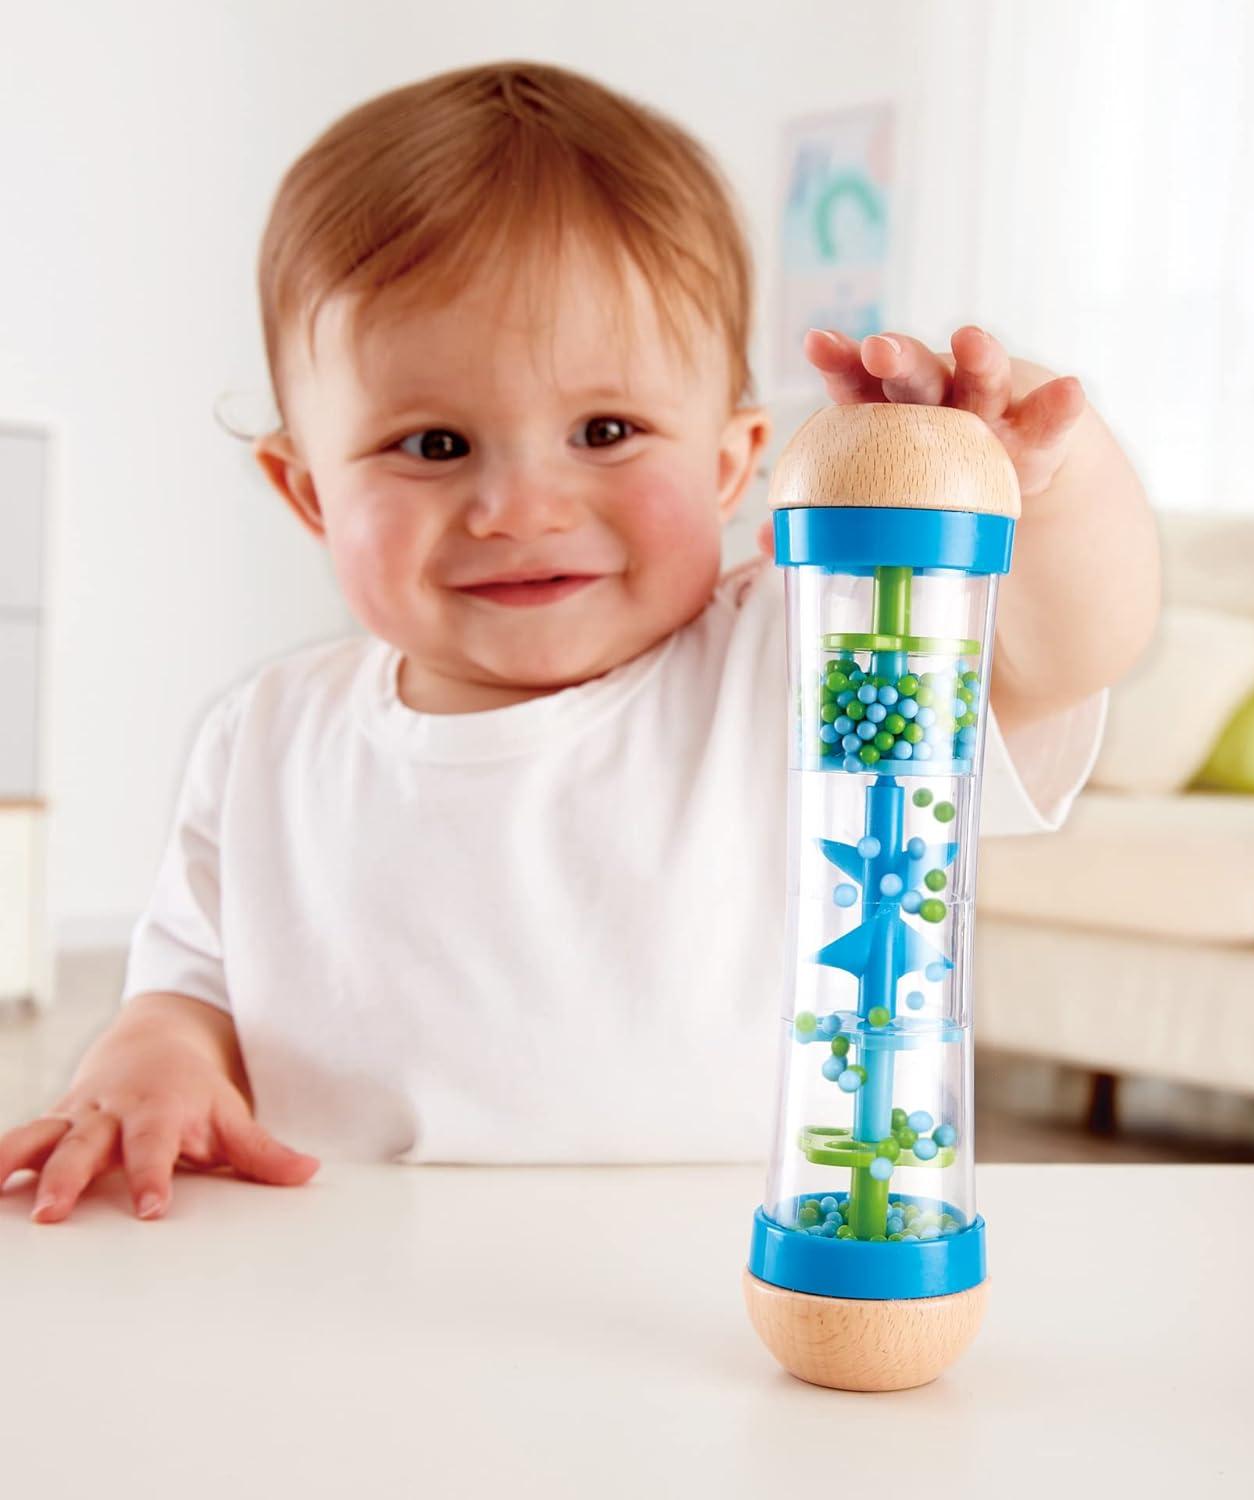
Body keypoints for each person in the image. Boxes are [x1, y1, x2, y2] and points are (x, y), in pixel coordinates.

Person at [0, 62, 1158, 1223]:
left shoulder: (802, 666)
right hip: (349, 1307)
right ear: (307, 492)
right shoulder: (265, 739)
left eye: (605, 431)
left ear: (726, 465)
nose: (522, 507)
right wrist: (153, 1055)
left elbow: (1069, 645)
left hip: (703, 1311)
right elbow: (192, 992)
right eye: (435, 444)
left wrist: (1034, 486)